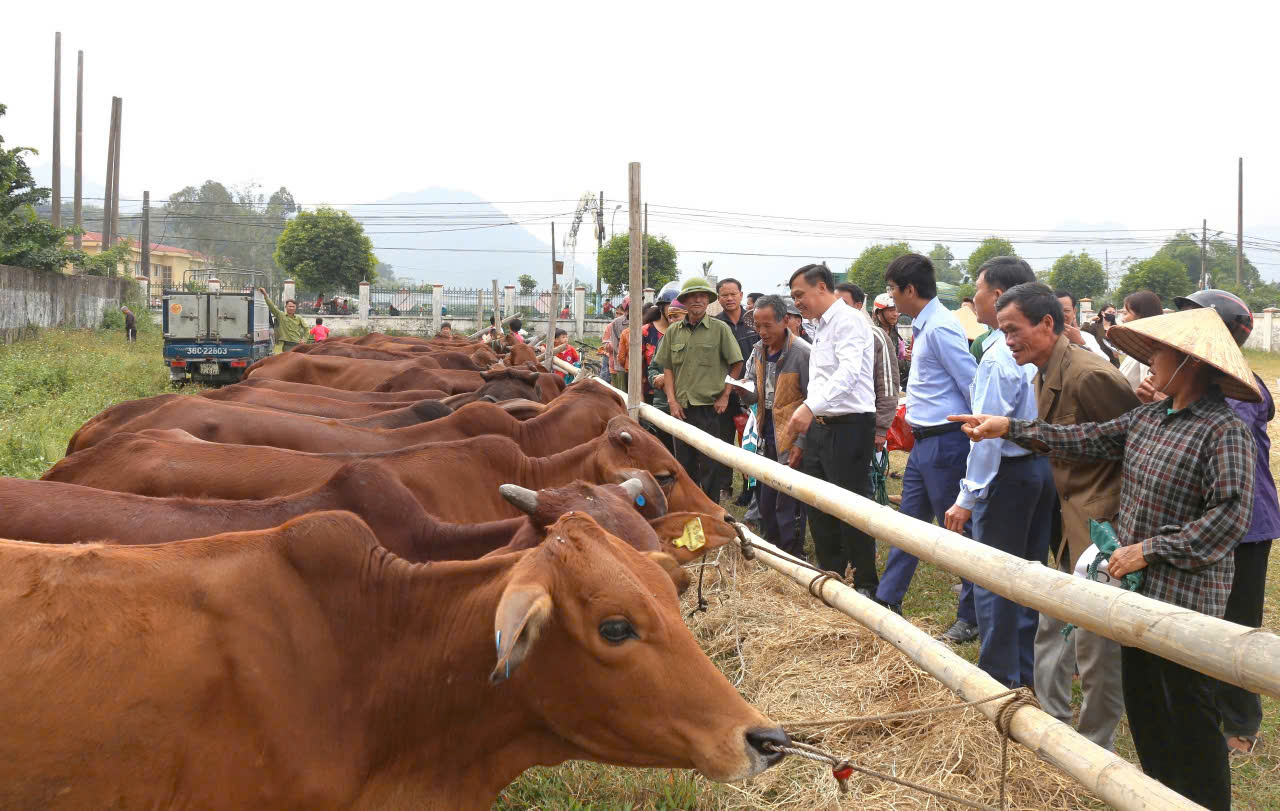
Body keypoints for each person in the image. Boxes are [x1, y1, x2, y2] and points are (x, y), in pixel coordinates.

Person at [955, 305, 1258, 810]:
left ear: (1189, 363)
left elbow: (1229, 516)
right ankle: (1158, 797)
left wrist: (1150, 550)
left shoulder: (1223, 431)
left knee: (1188, 708)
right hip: (1137, 594)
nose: (1150, 362)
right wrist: (1008, 427)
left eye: (1159, 353)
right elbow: (1081, 438)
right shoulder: (1149, 418)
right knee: (1145, 706)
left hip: (1186, 596)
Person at [982, 283, 1135, 750]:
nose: (1008, 340)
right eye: (1003, 331)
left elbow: (1130, 446)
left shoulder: (1091, 375)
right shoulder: (1043, 370)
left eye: (1014, 329)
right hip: (1073, 521)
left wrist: (1014, 430)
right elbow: (1058, 438)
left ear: (1047, 323)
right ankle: (1051, 731)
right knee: (1052, 631)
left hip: (1104, 529)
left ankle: (1094, 751)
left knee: (1096, 651)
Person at [1169, 289, 1277, 756]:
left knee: (1239, 623)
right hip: (1207, 521)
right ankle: (1205, 706)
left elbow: (1228, 416)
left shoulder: (1243, 387)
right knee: (1202, 618)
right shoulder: (1195, 379)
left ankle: (1241, 721)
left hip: (1247, 525)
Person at [942, 259, 1050, 688]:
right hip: (1038, 467)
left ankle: (999, 682)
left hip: (1006, 477)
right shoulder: (1037, 349)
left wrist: (967, 497)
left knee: (997, 583)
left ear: (1002, 294)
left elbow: (986, 434)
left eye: (979, 289)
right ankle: (1024, 673)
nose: (975, 297)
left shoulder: (996, 355)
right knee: (1029, 577)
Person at [874, 254, 978, 643]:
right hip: (924, 443)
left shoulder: (940, 329)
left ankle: (972, 615)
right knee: (909, 526)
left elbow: (971, 383)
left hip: (946, 443)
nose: (890, 298)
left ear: (910, 290)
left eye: (892, 290)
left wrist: (977, 433)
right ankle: (888, 600)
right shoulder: (925, 324)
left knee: (957, 531)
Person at [786, 264, 878, 592]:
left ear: (821, 287)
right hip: (821, 427)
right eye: (793, 296)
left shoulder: (849, 321)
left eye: (800, 294)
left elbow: (850, 372)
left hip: (850, 426)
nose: (797, 302)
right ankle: (832, 574)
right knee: (819, 504)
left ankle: (866, 581)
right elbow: (823, 380)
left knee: (851, 505)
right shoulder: (820, 326)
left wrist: (810, 406)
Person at [733, 295, 811, 558]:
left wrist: (801, 442)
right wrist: (742, 391)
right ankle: (773, 549)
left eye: (768, 325)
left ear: (785, 321)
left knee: (788, 503)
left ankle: (791, 554)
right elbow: (756, 392)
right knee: (766, 500)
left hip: (791, 437)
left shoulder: (802, 353)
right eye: (758, 325)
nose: (762, 332)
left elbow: (814, 403)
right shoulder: (757, 350)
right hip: (767, 433)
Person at [655, 278, 744, 501]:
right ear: (684, 301)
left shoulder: (720, 329)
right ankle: (689, 508)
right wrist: (672, 401)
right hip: (681, 410)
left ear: (707, 300)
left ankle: (710, 509)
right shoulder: (674, 331)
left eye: (702, 296)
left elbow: (737, 363)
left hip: (711, 410)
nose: (697, 300)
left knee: (710, 465)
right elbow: (667, 368)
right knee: (683, 464)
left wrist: (725, 396)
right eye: (692, 296)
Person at [716, 278, 759, 501]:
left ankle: (748, 488)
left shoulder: (754, 321)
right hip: (724, 392)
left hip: (751, 392)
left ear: (741, 295)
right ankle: (724, 485)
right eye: (725, 295)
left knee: (749, 440)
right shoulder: (715, 324)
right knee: (723, 440)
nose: (730, 298)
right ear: (718, 298)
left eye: (734, 294)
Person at [1117, 290, 1163, 389]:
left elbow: (1149, 391)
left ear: (1141, 315)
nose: (1122, 319)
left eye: (1125, 313)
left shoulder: (1149, 349)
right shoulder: (1138, 346)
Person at [1055, 290, 1107, 360]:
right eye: (1057, 311)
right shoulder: (1043, 338)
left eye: (1066, 310)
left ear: (1074, 311)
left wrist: (1081, 343)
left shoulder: (1086, 337)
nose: (1061, 315)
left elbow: (1104, 363)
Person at [872, 293, 909, 384]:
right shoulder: (871, 334)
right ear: (878, 312)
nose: (896, 314)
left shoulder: (894, 332)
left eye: (897, 310)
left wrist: (906, 357)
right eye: (891, 310)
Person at [258, 287, 309, 352]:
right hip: (287, 345)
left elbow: (306, 328)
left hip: (298, 344)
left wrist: (304, 339)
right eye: (290, 306)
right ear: (286, 307)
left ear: (295, 307)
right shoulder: (280, 315)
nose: (291, 308)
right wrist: (265, 294)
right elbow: (272, 306)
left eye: (293, 306)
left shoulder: (299, 318)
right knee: (288, 361)